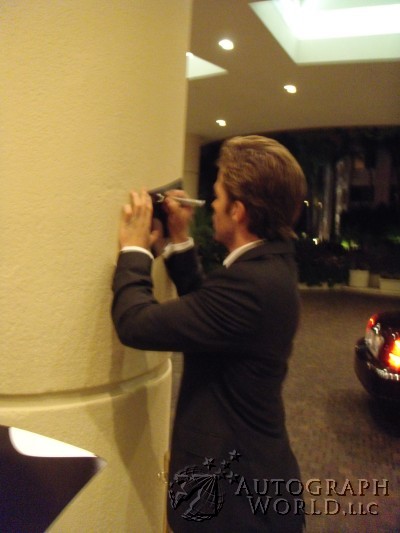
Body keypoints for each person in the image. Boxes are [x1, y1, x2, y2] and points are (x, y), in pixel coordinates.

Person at [112, 135, 307, 532]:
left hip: (236, 506)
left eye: (217, 196)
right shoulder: (269, 267)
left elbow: (135, 323)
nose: (212, 205)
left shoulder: (252, 284)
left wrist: (134, 249)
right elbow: (209, 315)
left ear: (238, 210)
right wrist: (179, 238)